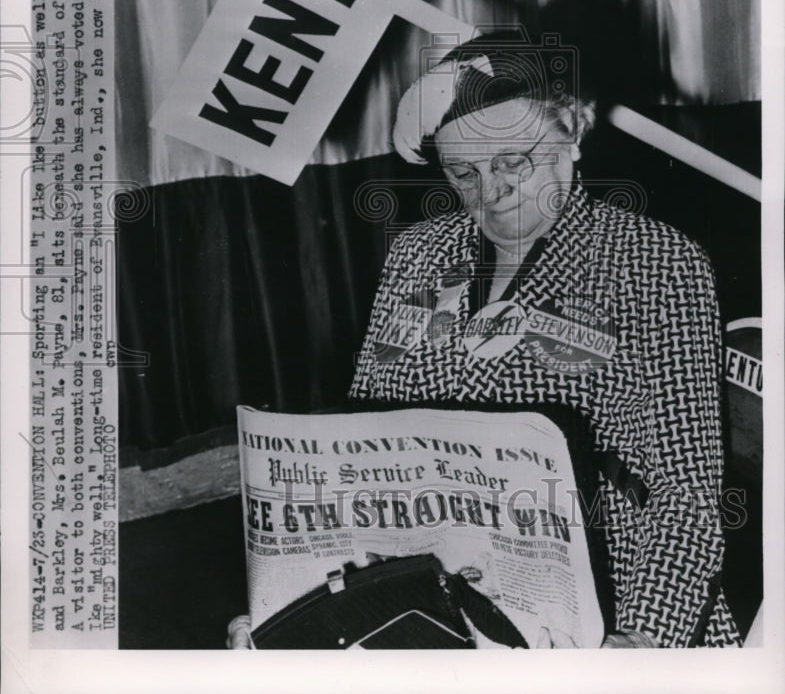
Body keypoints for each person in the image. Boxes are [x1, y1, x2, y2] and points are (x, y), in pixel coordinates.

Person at [228, 32, 740, 649]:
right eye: (462, 171)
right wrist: (295, 602)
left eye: (511, 162)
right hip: (433, 587)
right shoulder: (418, 256)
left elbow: (686, 496)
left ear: (572, 130)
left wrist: (643, 642)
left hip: (610, 593)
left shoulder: (654, 262)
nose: (488, 192)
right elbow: (360, 458)